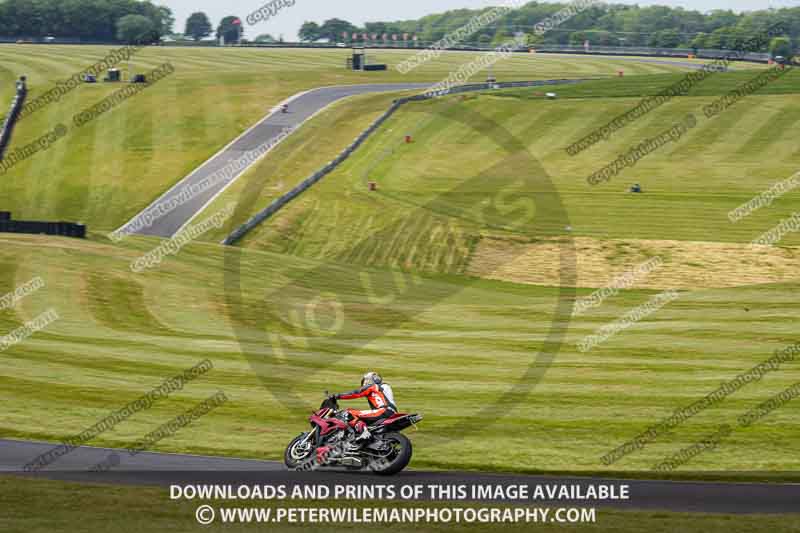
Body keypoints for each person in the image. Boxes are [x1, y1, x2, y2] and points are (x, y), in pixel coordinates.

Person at [332, 372, 397, 441]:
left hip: (383, 411)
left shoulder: (373, 387)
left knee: (348, 412)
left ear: (369, 380)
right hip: (391, 412)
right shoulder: (384, 386)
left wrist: (337, 396)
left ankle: (364, 432)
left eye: (365, 380)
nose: (364, 384)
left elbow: (356, 393)